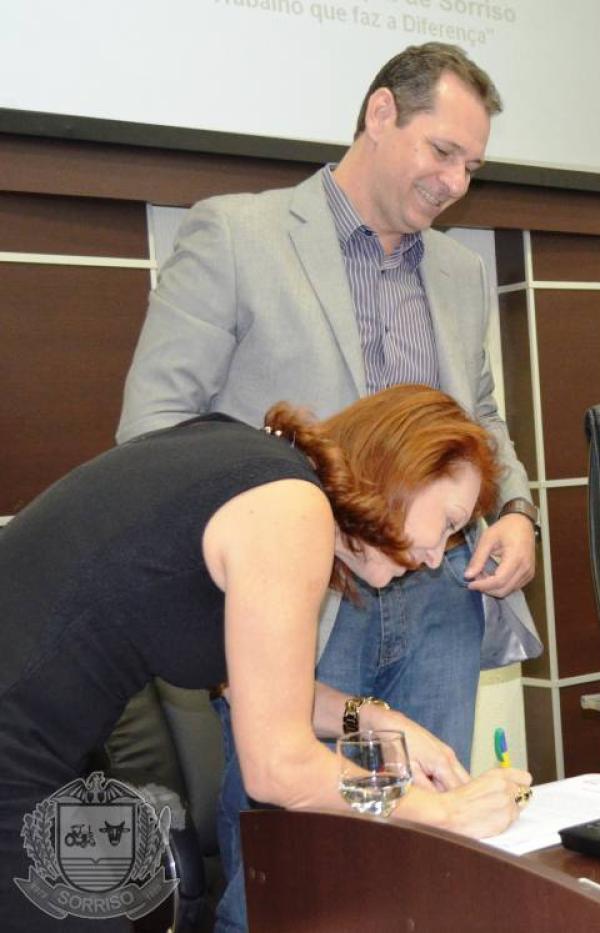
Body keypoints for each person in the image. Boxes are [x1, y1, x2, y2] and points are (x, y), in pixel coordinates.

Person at [114, 44, 540, 927]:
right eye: (442, 152)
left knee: (422, 859)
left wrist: (516, 507)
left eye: (472, 165)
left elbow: (482, 417)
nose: (456, 183)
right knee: (284, 877)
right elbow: (152, 433)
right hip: (298, 604)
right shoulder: (238, 235)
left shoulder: (460, 272)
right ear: (380, 114)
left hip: (440, 598)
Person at [0, 385, 532, 932]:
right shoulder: (291, 511)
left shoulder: (261, 476)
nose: (437, 557)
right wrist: (445, 813)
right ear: (404, 471)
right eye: (448, 522)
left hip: (45, 757)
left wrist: (376, 719)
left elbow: (253, 688)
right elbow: (279, 770)